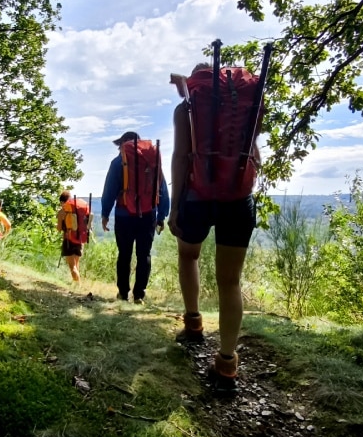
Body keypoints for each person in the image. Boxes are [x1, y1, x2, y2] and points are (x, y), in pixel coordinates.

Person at [167, 63, 260, 396]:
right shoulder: (245, 105)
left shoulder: (187, 108)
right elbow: (254, 154)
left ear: (197, 83)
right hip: (238, 198)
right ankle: (226, 362)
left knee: (188, 255)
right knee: (230, 281)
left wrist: (175, 205)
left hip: (196, 195)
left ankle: (193, 323)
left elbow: (180, 157)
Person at [101, 131, 170, 304]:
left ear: (123, 144)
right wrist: (162, 216)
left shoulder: (118, 162)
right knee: (144, 254)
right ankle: (139, 294)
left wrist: (105, 213)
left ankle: (123, 293)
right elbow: (162, 191)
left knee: (124, 254)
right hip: (148, 215)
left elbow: (109, 190)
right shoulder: (152, 162)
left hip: (124, 215)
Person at [56, 190, 91, 282]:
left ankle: (78, 285)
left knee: (73, 268)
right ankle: (76, 284)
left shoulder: (63, 212)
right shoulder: (77, 210)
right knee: (76, 264)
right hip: (79, 240)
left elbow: (59, 229)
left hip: (68, 241)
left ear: (62, 202)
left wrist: (59, 218)